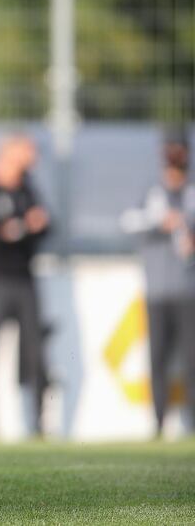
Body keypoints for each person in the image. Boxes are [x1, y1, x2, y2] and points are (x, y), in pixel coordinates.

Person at [120, 126, 195, 437]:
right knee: (159, 360)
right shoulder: (152, 193)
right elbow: (127, 221)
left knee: (191, 360)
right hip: (157, 292)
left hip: (188, 292)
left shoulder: (192, 193)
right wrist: (159, 222)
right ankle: (159, 424)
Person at [0, 135, 50, 438]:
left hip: (26, 282)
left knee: (35, 352)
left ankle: (39, 424)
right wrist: (24, 226)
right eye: (27, 151)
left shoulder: (28, 188)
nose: (32, 157)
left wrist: (21, 228)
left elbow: (46, 224)